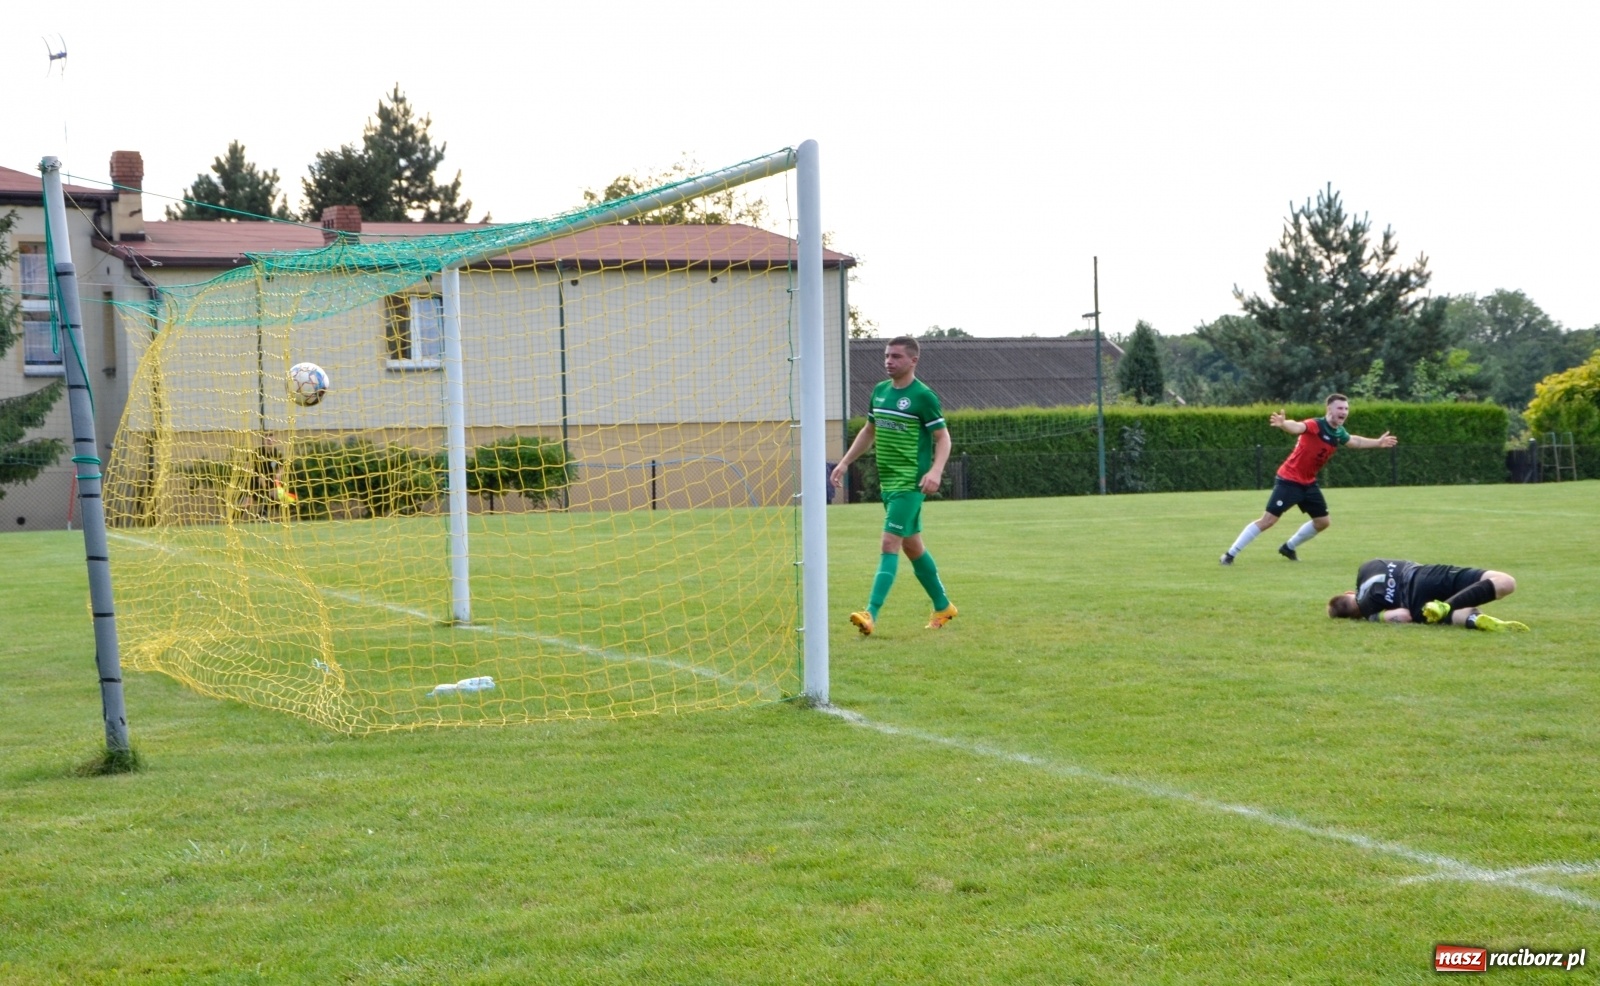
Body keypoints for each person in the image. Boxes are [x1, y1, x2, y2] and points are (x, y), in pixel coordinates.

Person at [830, 336, 957, 635]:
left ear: (913, 361)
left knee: (890, 542)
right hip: (888, 483)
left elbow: (943, 438)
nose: (889, 361)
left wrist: (936, 471)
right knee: (913, 547)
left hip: (910, 483)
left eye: (897, 356)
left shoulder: (923, 396)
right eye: (887, 355)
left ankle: (870, 614)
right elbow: (869, 430)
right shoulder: (880, 391)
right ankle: (943, 606)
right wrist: (845, 461)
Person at [1220, 393, 1397, 564]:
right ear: (1329, 409)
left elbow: (1354, 441)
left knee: (1322, 522)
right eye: (1340, 408)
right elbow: (1297, 426)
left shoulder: (1338, 432)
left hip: (1308, 482)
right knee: (1268, 521)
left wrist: (1377, 442)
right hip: (1289, 480)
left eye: (1346, 408)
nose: (1344, 412)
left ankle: (1288, 547)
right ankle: (1229, 554)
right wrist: (1283, 424)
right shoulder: (1315, 425)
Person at [1327, 559, 1529, 631]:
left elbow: (1403, 616)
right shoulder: (1366, 568)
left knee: (1442, 615)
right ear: (1349, 592)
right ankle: (1447, 605)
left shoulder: (1370, 612)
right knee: (1505, 582)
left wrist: (1377, 616)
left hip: (1418, 605)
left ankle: (1472, 618)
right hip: (1424, 575)